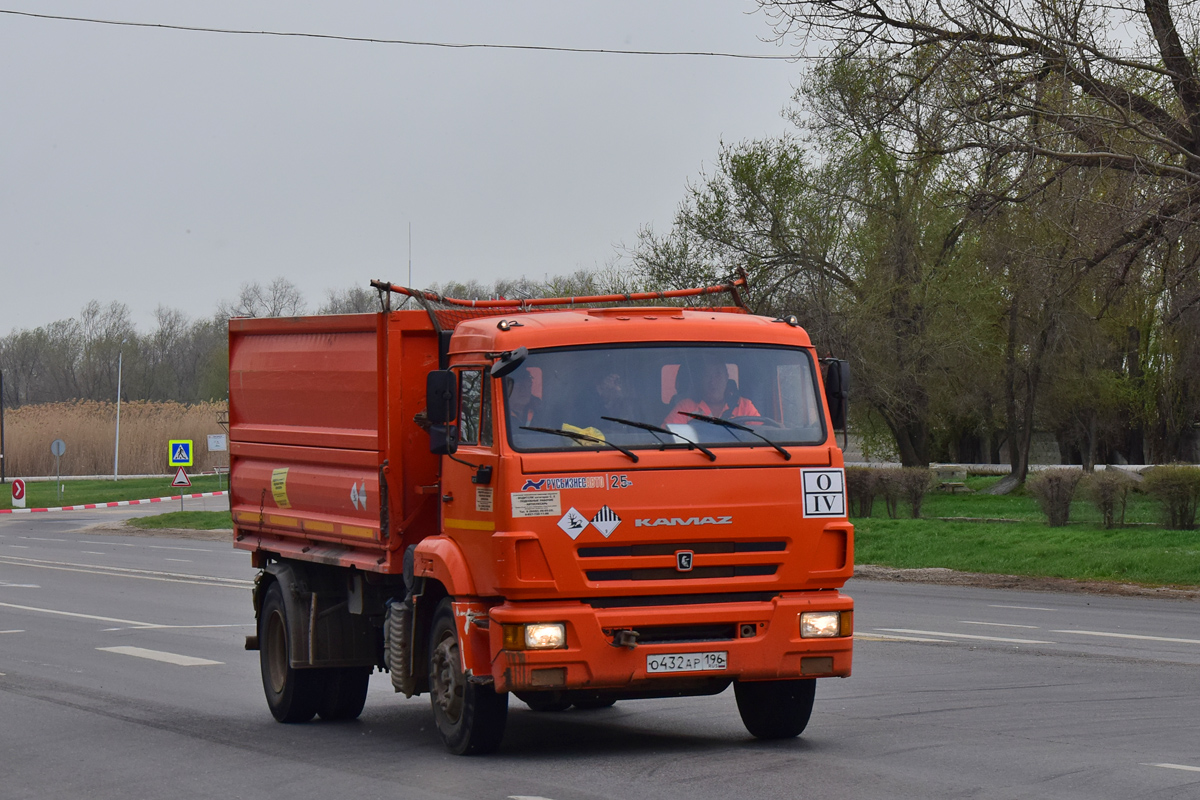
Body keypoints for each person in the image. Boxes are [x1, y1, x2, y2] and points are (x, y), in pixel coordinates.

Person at [664, 358, 759, 424]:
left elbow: (762, 436)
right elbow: (668, 438)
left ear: (727, 377)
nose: (713, 381)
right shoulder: (685, 407)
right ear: (701, 380)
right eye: (707, 375)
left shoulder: (745, 406)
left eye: (718, 374)